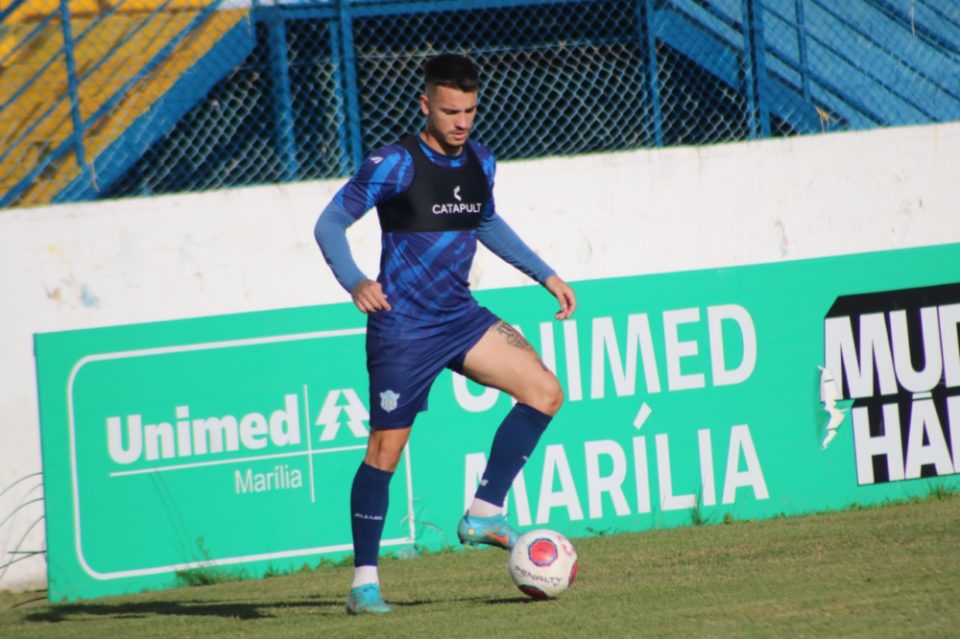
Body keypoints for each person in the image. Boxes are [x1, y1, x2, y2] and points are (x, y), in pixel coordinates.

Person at [314, 53, 577, 615]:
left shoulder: (481, 160)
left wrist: (546, 274)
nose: (462, 122)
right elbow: (330, 222)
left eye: (470, 110)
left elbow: (484, 222)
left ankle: (484, 512)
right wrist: (355, 280)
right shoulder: (393, 164)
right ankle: (364, 584)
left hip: (459, 316)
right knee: (384, 453)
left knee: (545, 392)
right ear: (425, 104)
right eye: (451, 110)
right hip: (403, 328)